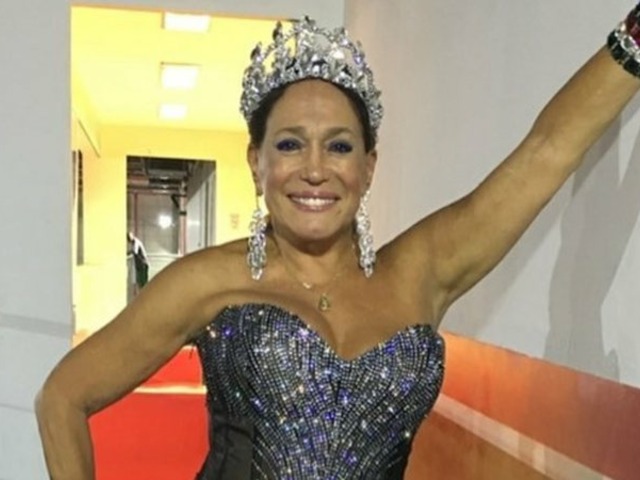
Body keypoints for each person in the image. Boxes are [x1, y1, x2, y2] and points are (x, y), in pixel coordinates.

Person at [35, 6, 640, 479]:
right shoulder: (206, 283)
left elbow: (546, 151)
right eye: (290, 144)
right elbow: (62, 397)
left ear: (369, 167)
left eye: (340, 146)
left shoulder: (421, 271)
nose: (315, 169)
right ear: (256, 162)